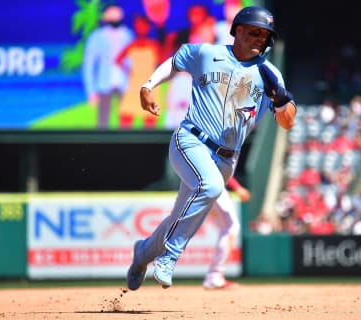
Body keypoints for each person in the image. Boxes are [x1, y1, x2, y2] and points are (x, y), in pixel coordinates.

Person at [127, 5, 296, 290]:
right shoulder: (208, 53)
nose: (260, 39)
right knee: (210, 187)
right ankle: (170, 256)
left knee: (179, 216)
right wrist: (148, 86)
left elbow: (287, 121)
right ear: (238, 31)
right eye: (254, 32)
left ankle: (142, 253)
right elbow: (175, 61)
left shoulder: (269, 74)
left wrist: (279, 99)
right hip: (191, 140)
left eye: (265, 35)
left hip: (227, 159)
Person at [82, 5, 133, 128]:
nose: (115, 18)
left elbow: (133, 62)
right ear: (105, 17)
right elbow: (88, 65)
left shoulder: (128, 35)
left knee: (126, 122)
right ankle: (101, 146)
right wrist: (91, 91)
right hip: (104, 84)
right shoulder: (97, 37)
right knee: (103, 123)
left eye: (118, 16)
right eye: (112, 16)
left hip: (124, 84)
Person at [203, 176, 250, 290]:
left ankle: (214, 277)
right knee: (230, 227)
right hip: (212, 185)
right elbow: (218, 168)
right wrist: (237, 187)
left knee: (227, 228)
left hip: (203, 185)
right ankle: (215, 277)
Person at [115, 15, 161, 129]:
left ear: (148, 27)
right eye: (138, 25)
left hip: (150, 86)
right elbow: (118, 60)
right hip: (134, 85)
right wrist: (128, 71)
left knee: (150, 121)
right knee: (125, 118)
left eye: (143, 25)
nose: (140, 28)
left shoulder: (153, 45)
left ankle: (149, 146)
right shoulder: (132, 45)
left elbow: (162, 63)